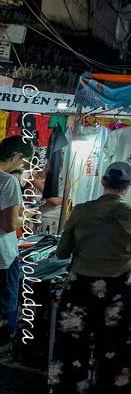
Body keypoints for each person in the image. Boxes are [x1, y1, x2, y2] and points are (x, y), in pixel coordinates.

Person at [51, 161, 131, 393]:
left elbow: (61, 252)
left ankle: (70, 388)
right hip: (116, 289)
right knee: (114, 347)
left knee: (72, 345)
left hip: (79, 287)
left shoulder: (80, 210)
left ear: (103, 182)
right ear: (128, 186)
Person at [0, 136, 34, 349]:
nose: (21, 167)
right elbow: (9, 224)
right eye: (23, 163)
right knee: (5, 307)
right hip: (2, 256)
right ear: (16, 156)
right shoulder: (8, 181)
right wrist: (26, 215)